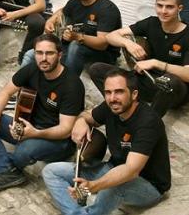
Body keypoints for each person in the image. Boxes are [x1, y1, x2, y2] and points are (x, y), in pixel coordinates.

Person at [42, 67, 170, 214]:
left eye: (119, 92)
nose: (112, 98)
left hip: (147, 185)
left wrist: (94, 186)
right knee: (52, 171)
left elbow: (131, 170)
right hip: (112, 168)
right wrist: (81, 121)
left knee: (113, 187)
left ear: (134, 94)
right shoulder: (111, 107)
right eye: (108, 92)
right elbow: (87, 116)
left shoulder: (148, 122)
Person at [0, 34, 84, 194]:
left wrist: (35, 133)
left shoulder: (72, 85)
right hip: (28, 127)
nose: (43, 58)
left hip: (57, 140)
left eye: (49, 53)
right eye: (39, 53)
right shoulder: (33, 69)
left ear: (59, 55)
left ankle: (0, 165)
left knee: (24, 149)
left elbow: (65, 130)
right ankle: (5, 169)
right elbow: (5, 92)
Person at [88, 0, 189, 118]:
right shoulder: (151, 23)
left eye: (169, 7)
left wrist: (156, 63)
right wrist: (128, 43)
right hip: (147, 79)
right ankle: (121, 108)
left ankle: (148, 121)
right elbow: (110, 36)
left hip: (174, 90)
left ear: (180, 8)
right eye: (159, 6)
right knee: (96, 69)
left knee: (168, 81)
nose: (163, 11)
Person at [21, 0, 122, 76]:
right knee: (31, 54)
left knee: (75, 46)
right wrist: (50, 20)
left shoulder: (107, 9)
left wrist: (77, 37)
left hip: (102, 55)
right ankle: (19, 84)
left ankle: (66, 81)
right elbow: (62, 11)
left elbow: (102, 44)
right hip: (72, 46)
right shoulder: (75, 2)